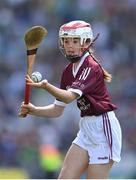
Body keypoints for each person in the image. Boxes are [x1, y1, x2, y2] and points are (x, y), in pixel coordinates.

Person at [19, 20, 122, 179]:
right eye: (66, 41)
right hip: (86, 130)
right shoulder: (68, 71)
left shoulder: (90, 67)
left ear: (86, 42)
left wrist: (46, 86)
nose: (70, 45)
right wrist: (34, 110)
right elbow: (57, 110)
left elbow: (68, 97)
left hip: (103, 129)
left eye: (75, 41)